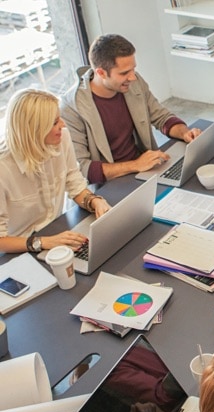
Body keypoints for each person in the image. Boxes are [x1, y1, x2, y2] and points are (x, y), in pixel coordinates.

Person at [60, 34, 202, 184]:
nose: (133, 77)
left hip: (145, 170)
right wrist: (135, 165)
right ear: (101, 73)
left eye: (133, 69)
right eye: (124, 73)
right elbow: (81, 169)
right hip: (110, 184)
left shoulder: (133, 82)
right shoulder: (71, 108)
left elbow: (161, 117)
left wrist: (185, 133)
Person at [0, 89, 110, 254]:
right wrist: (44, 242)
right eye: (54, 122)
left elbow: (73, 181)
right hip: (20, 249)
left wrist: (95, 202)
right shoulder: (3, 168)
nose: (63, 125)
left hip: (57, 231)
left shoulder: (62, 138)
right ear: (33, 131)